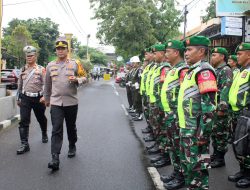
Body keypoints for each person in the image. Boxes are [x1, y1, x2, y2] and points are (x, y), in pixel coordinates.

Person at [178, 36, 218, 189]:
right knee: (189, 169)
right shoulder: (192, 71)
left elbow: (209, 108)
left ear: (201, 51)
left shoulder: (204, 72)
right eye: (185, 50)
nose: (186, 53)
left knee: (198, 172)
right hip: (187, 128)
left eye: (189, 50)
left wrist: (203, 135)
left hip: (196, 133)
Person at [43, 37, 87, 170]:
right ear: (56, 51)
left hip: (71, 102)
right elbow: (47, 85)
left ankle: (72, 145)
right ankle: (55, 157)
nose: (60, 51)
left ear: (68, 50)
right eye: (58, 49)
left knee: (70, 126)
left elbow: (85, 77)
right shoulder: (50, 65)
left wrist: (77, 80)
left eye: (63, 48)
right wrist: (46, 99)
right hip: (56, 102)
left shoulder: (75, 63)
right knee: (56, 128)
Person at [160, 40, 188, 189]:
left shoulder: (183, 70)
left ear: (176, 53)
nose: (166, 54)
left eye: (168, 51)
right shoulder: (173, 69)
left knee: (180, 148)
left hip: (179, 117)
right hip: (170, 115)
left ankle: (182, 176)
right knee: (173, 147)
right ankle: (177, 172)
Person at [16, 46, 48, 155]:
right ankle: (24, 144)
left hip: (38, 99)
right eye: (27, 56)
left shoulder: (41, 69)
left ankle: (44, 132)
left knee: (41, 118)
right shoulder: (23, 69)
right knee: (24, 120)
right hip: (25, 98)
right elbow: (20, 84)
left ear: (36, 56)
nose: (29, 57)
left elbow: (45, 84)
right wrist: (18, 97)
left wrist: (44, 96)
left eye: (31, 55)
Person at [228, 42, 250, 188]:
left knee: (247, 147)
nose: (237, 56)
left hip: (247, 113)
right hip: (237, 113)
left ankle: (249, 174)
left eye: (240, 53)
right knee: (238, 145)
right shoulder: (242, 70)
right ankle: (243, 170)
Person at [210, 47, 233, 168]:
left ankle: (220, 158)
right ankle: (215, 154)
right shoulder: (216, 69)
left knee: (221, 134)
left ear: (222, 57)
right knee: (215, 133)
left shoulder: (225, 70)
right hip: (214, 107)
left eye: (214, 55)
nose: (211, 57)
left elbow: (225, 90)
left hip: (220, 109)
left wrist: (221, 109)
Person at [130, 56, 143, 121]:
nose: (132, 64)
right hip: (134, 88)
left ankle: (140, 115)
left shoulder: (139, 70)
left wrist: (138, 86)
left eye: (134, 63)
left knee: (138, 101)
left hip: (138, 88)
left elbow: (140, 79)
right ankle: (137, 113)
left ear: (138, 63)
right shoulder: (135, 70)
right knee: (135, 101)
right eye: (132, 63)